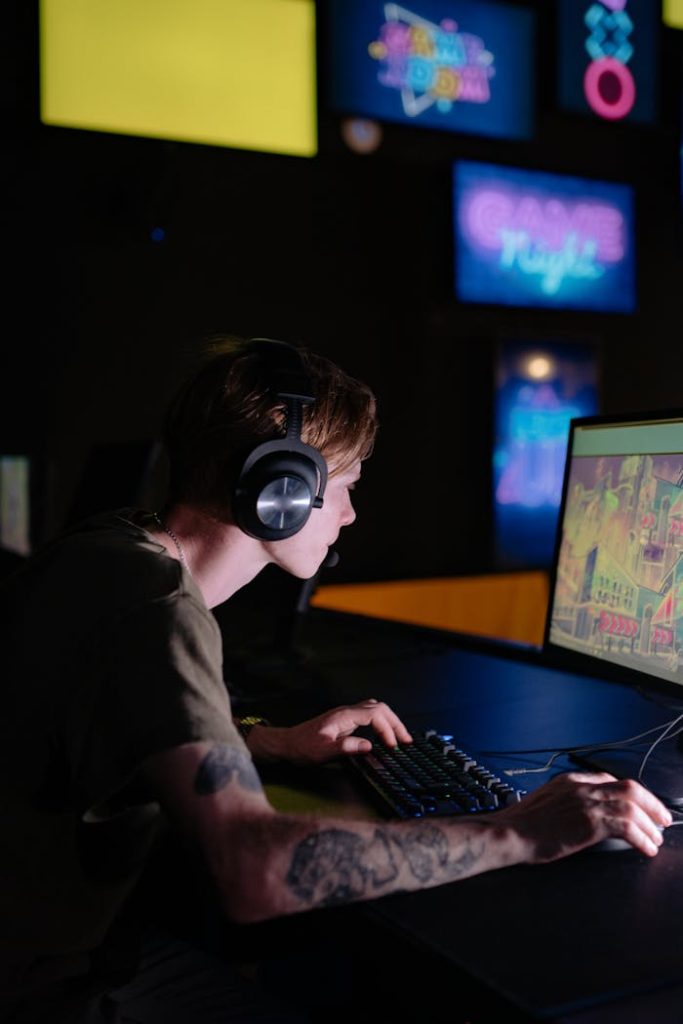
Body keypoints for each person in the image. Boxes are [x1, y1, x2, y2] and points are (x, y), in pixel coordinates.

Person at [0, 336, 671, 1024]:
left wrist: (264, 744)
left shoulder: (107, 549)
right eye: (345, 487)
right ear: (278, 492)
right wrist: (519, 830)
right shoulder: (155, 606)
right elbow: (252, 872)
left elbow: (101, 723)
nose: (350, 514)